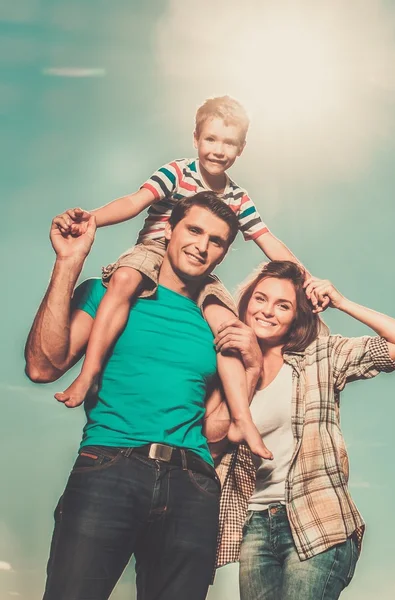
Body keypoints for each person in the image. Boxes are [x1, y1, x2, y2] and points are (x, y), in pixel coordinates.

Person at [24, 192, 251, 600]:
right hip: (111, 466)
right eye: (194, 230)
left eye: (216, 241)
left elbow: (217, 431)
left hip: (194, 484)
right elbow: (43, 366)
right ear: (170, 229)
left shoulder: (216, 324)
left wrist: (250, 368)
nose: (202, 245)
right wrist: (68, 262)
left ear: (223, 253)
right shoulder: (110, 294)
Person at [53, 95, 305, 457]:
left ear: (241, 149)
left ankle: (241, 419)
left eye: (229, 143)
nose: (218, 150)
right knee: (123, 281)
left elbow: (267, 240)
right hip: (153, 253)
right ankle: (89, 373)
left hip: (200, 275)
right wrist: (91, 218)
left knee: (228, 327)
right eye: (211, 139)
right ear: (196, 139)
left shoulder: (238, 197)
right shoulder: (178, 172)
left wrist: (304, 278)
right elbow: (135, 201)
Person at [209, 261, 395, 600]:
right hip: (255, 524)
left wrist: (342, 302)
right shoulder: (228, 369)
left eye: (283, 305)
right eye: (260, 299)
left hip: (317, 519)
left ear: (297, 316)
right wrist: (250, 369)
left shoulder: (319, 357)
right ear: (246, 302)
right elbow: (212, 444)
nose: (267, 311)